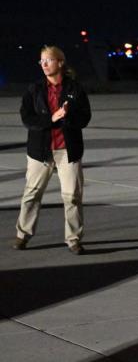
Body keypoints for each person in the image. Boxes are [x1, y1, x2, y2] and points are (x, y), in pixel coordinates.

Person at [13, 45, 91, 255]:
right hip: (40, 151)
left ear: (60, 62)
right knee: (31, 194)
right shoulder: (34, 89)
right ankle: (23, 235)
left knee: (72, 196)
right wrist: (52, 118)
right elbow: (27, 118)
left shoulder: (75, 88)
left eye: (48, 60)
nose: (44, 64)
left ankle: (73, 239)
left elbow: (85, 118)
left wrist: (68, 116)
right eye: (42, 61)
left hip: (68, 150)